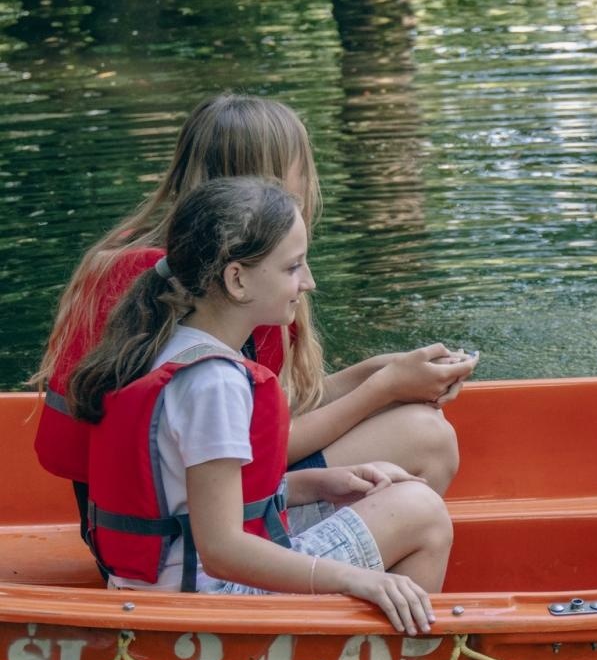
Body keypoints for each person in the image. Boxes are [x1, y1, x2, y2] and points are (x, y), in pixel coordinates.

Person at [31, 94, 476, 545]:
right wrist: (383, 389)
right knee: (427, 437)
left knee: (415, 417)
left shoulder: (162, 264)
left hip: (125, 522)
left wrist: (379, 372)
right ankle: (309, 573)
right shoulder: (217, 292)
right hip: (180, 537)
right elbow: (256, 444)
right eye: (302, 165)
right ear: (269, 182)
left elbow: (261, 416)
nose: (309, 180)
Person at [68, 178, 451, 632]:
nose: (307, 282)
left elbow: (191, 504)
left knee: (395, 495)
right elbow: (223, 550)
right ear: (237, 279)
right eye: (293, 267)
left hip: (157, 584)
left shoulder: (161, 343)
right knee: (420, 512)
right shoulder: (213, 383)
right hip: (203, 601)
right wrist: (357, 580)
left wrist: (317, 483)